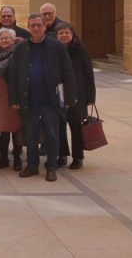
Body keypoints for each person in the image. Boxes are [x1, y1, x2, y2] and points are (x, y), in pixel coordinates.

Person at [8, 13, 77, 183]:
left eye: (39, 25)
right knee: (31, 135)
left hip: (51, 101)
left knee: (52, 135)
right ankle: (32, 165)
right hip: (29, 101)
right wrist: (14, 99)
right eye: (33, 25)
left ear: (45, 26)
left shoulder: (56, 47)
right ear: (28, 27)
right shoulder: (21, 48)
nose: (36, 28)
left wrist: (69, 98)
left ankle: (51, 167)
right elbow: (13, 75)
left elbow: (68, 73)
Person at [55, 22, 96, 170]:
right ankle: (62, 155)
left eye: (66, 32)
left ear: (72, 34)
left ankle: (78, 157)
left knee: (76, 127)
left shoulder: (81, 51)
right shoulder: (54, 51)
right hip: (58, 94)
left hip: (77, 95)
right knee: (59, 126)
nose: (64, 35)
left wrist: (91, 97)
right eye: (61, 33)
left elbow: (89, 75)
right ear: (56, 36)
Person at [0, 28, 23, 171]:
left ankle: (17, 157)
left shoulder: (18, 53)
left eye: (7, 38)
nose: (4, 40)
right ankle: (0, 157)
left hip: (12, 94)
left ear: (13, 40)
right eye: (1, 38)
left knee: (14, 127)